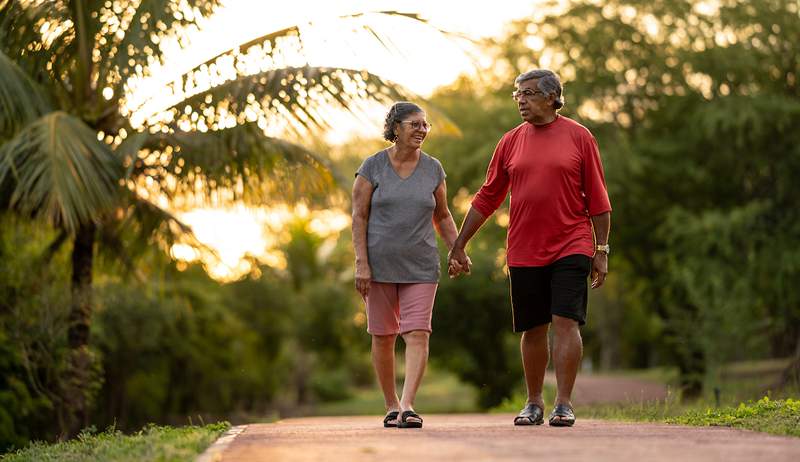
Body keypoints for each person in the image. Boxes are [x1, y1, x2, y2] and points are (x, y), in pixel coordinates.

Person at [448, 69, 612, 427]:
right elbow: (487, 196)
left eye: (529, 93)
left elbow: (598, 199)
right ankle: (534, 402)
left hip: (572, 242)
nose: (521, 100)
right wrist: (460, 243)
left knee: (565, 321)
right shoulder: (510, 141)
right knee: (533, 328)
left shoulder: (579, 137)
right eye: (517, 94)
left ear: (552, 98)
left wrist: (601, 249)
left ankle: (563, 404)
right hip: (524, 247)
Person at [352, 102, 460, 429]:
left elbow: (442, 215)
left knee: (418, 333)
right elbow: (359, 216)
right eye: (415, 124)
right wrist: (361, 264)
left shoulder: (433, 169)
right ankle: (391, 404)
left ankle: (408, 405)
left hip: (421, 265)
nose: (422, 130)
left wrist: (456, 249)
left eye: (425, 125)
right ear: (395, 127)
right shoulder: (372, 167)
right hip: (379, 265)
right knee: (383, 336)